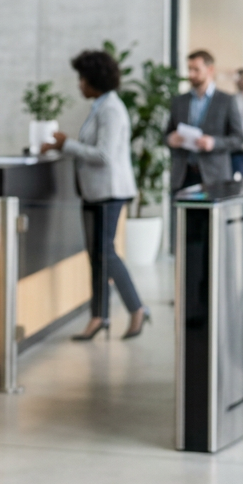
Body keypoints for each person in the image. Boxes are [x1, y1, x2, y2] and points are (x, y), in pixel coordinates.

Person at [42, 50, 148, 340]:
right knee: (97, 256)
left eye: (82, 79)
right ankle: (98, 316)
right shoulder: (101, 106)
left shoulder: (111, 109)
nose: (79, 85)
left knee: (106, 253)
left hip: (109, 192)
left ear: (94, 80)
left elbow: (103, 155)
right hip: (94, 192)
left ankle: (137, 308)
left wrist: (66, 145)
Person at [165, 50, 243, 192]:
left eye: (196, 70)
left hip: (214, 176)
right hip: (184, 175)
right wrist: (170, 139)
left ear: (210, 70)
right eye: (189, 69)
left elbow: (238, 139)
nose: (191, 74)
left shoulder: (226, 101)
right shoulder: (179, 101)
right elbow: (167, 134)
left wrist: (214, 142)